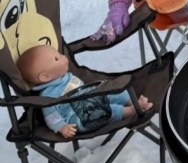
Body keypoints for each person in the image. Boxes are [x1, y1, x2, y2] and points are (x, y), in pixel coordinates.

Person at [18, 44, 152, 137]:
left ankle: (131, 101)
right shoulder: (48, 96)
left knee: (115, 90)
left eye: (58, 53)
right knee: (103, 112)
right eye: (56, 58)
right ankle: (132, 110)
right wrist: (62, 127)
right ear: (45, 76)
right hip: (80, 117)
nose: (64, 57)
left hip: (90, 97)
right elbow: (52, 118)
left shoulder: (63, 77)